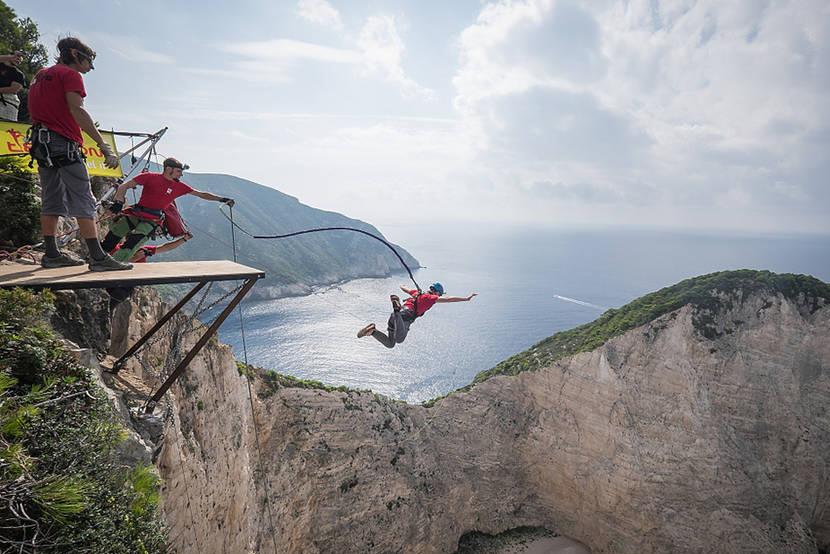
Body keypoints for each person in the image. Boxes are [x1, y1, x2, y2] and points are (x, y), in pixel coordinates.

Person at [27, 37, 130, 271]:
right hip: (62, 143)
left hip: (40, 143)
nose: (90, 67)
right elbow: (77, 110)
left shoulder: (41, 74)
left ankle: (51, 254)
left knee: (51, 199)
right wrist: (104, 147)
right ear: (75, 54)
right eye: (89, 60)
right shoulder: (71, 75)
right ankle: (97, 257)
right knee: (84, 198)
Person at [100, 157, 234, 262]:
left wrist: (222, 199)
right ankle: (98, 259)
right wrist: (118, 202)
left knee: (132, 243)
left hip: (151, 220)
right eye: (179, 171)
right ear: (168, 169)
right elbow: (124, 186)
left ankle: (112, 263)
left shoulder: (179, 186)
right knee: (113, 236)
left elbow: (201, 194)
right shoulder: (149, 177)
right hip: (137, 214)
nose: (181, 175)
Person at [357, 282, 478, 348]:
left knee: (390, 344)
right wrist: (466, 299)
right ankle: (396, 309)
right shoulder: (429, 297)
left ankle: (372, 331)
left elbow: (403, 287)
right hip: (404, 317)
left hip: (394, 318)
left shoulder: (417, 293)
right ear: (437, 293)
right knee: (399, 340)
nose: (439, 297)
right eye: (439, 294)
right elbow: (449, 299)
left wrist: (405, 286)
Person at [110, 231, 192, 263]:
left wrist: (184, 239)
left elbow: (166, 247)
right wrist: (134, 259)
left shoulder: (142, 250)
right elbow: (113, 266)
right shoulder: (116, 249)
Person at [0, 52, 25, 121]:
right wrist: (10, 57)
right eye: (17, 57)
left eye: (20, 59)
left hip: (8, 101)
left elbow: (14, 89)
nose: (18, 60)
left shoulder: (19, 74)